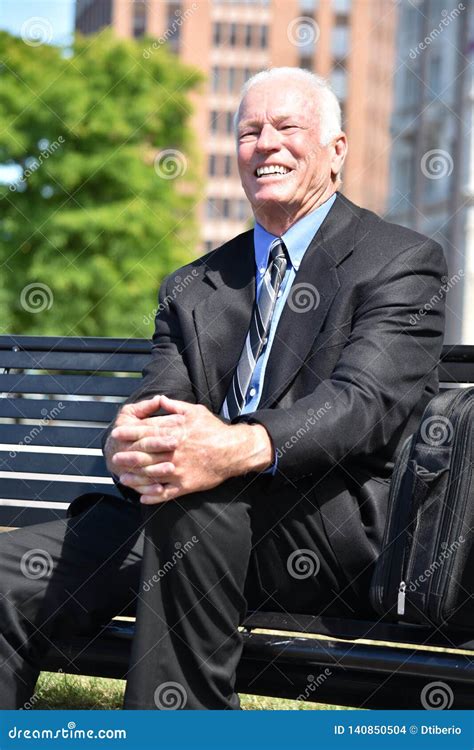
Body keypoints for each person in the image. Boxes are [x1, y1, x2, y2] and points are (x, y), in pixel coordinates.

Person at [0, 68, 447, 711]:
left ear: (336, 149)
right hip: (180, 515)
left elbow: (363, 406)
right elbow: (158, 401)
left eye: (288, 128)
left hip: (318, 534)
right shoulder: (196, 283)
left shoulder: (400, 259)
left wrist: (232, 449)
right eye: (249, 132)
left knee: (192, 506)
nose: (267, 144)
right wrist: (128, 444)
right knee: (12, 573)